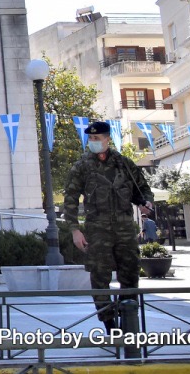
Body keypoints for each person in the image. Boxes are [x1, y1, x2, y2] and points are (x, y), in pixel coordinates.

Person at [61, 121, 152, 332]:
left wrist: (146, 203)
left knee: (130, 274)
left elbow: (142, 190)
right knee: (99, 277)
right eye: (90, 139)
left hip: (124, 228)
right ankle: (109, 323)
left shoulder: (124, 164)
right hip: (97, 229)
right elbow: (70, 199)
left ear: (107, 139)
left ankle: (129, 319)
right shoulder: (82, 166)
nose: (93, 142)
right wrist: (75, 230)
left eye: (97, 138)